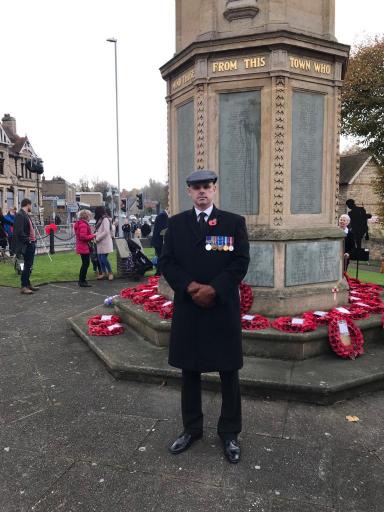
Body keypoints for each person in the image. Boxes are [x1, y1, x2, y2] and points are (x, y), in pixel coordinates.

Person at [160, 170, 250, 464]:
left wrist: (215, 289)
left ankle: (229, 433)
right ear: (189, 192)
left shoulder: (233, 223)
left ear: (214, 189)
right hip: (190, 306)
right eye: (196, 188)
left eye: (207, 187)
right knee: (189, 370)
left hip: (220, 307)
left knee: (228, 372)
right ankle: (192, 428)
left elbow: (240, 262)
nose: (202, 192)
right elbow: (168, 262)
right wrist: (190, 287)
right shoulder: (176, 224)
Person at [12, 198, 40, 295]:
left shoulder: (25, 215)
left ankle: (28, 284)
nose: (31, 207)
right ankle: (24, 286)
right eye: (30, 205)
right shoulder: (20, 215)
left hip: (30, 243)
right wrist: (28, 240)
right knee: (26, 266)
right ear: (28, 205)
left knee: (29, 265)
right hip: (26, 245)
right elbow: (19, 231)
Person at [74, 210, 96, 287]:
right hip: (83, 247)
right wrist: (93, 235)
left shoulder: (81, 223)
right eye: (90, 216)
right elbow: (83, 237)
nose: (90, 217)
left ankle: (82, 280)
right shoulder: (83, 224)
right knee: (85, 264)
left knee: (85, 264)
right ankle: (82, 281)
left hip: (82, 246)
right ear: (86, 216)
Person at [94, 206, 114, 280]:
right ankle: (104, 273)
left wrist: (98, 238)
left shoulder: (105, 219)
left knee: (103, 258)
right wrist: (95, 235)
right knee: (100, 258)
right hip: (100, 242)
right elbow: (99, 230)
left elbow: (106, 231)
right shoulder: (100, 219)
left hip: (105, 241)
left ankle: (110, 273)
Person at [151, 209, 169, 276]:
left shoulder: (162, 215)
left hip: (157, 240)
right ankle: (159, 272)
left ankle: (159, 272)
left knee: (160, 256)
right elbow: (163, 229)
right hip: (159, 241)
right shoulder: (163, 216)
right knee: (161, 257)